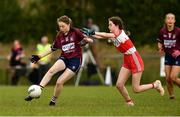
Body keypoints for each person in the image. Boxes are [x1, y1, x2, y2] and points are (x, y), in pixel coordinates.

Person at [81, 16, 165, 106]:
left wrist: (93, 31)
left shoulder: (119, 34)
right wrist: (89, 34)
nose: (108, 27)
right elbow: (101, 36)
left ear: (117, 26)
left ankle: (155, 85)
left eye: (110, 25)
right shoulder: (113, 34)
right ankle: (129, 102)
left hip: (134, 59)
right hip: (127, 59)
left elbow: (105, 34)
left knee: (136, 89)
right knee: (119, 85)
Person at [25, 15, 93, 106]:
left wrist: (86, 40)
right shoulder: (60, 35)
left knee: (59, 82)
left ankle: (53, 100)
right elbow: (52, 49)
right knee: (51, 71)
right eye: (59, 26)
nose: (61, 28)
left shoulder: (76, 32)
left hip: (75, 61)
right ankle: (37, 91)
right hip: (64, 58)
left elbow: (90, 40)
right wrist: (39, 57)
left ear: (68, 24)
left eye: (63, 26)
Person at [157, 13, 180, 99]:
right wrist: (160, 47)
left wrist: (179, 51)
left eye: (172, 18)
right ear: (166, 21)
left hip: (177, 57)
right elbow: (159, 42)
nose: (170, 20)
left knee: (173, 77)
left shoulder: (178, 31)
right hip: (168, 56)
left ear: (174, 21)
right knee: (168, 78)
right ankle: (172, 96)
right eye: (168, 18)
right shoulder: (162, 31)